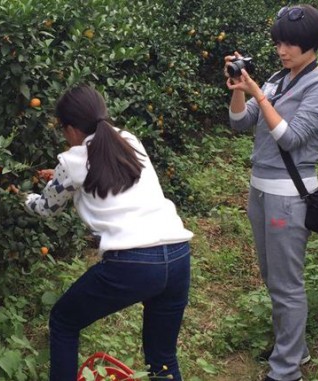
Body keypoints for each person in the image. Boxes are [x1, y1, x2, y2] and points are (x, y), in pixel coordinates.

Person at [24, 84, 193, 381]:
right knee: (162, 358)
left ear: (72, 128)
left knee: (64, 321)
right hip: (178, 254)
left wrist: (20, 196)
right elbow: (107, 174)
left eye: (63, 130)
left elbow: (46, 209)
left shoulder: (71, 161)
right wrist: (61, 179)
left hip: (135, 263)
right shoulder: (128, 140)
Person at [224, 4, 318, 381]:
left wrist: (259, 92)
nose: (283, 50)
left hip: (288, 198)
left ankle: (286, 370)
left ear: (312, 45)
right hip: (259, 192)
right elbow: (240, 123)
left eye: (291, 44)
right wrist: (242, 91)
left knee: (287, 285)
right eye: (279, 43)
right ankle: (295, 348)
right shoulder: (277, 77)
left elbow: (290, 138)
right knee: (273, 278)